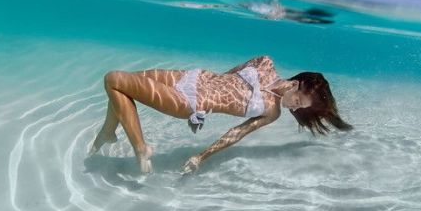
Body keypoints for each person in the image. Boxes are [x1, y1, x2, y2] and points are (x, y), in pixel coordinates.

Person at [89, 55, 352, 174]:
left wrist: (201, 156)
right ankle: (109, 131)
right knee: (121, 89)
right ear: (295, 85)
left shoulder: (271, 112)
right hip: (187, 76)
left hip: (189, 101)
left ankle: (140, 147)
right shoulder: (265, 62)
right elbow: (227, 78)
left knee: (114, 79)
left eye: (300, 108)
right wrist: (208, 87)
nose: (295, 108)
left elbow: (236, 133)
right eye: (298, 101)